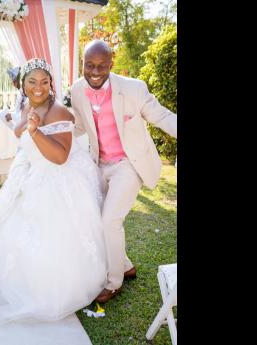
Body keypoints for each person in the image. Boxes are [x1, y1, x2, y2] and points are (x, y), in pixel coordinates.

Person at [0, 58, 107, 344]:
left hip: (55, 180)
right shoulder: (24, 104)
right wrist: (20, 126)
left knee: (48, 238)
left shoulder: (59, 113)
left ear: (51, 84)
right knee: (10, 230)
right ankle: (15, 284)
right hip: (29, 174)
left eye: (44, 82)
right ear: (22, 84)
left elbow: (59, 158)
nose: (38, 87)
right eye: (32, 82)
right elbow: (20, 132)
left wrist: (34, 132)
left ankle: (46, 289)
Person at [71, 40, 177, 303]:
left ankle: (114, 281)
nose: (95, 72)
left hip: (129, 164)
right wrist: (48, 135)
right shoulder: (76, 89)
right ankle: (126, 265)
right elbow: (79, 126)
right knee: (95, 218)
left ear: (111, 64)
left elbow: (162, 116)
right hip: (98, 164)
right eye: (89, 66)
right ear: (82, 63)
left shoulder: (133, 89)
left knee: (110, 221)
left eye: (101, 66)